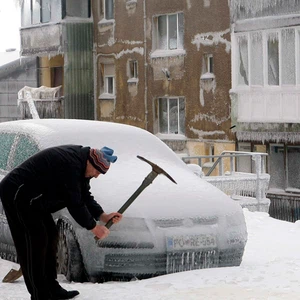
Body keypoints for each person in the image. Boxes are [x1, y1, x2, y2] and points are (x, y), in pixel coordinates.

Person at [0, 145, 122, 300]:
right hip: (17, 193)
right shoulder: (70, 165)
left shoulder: (82, 165)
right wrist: (93, 227)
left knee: (50, 235)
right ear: (90, 162)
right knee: (35, 242)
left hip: (35, 200)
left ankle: (51, 287)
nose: (97, 176)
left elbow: (84, 195)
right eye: (97, 171)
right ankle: (40, 294)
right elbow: (74, 202)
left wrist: (103, 216)